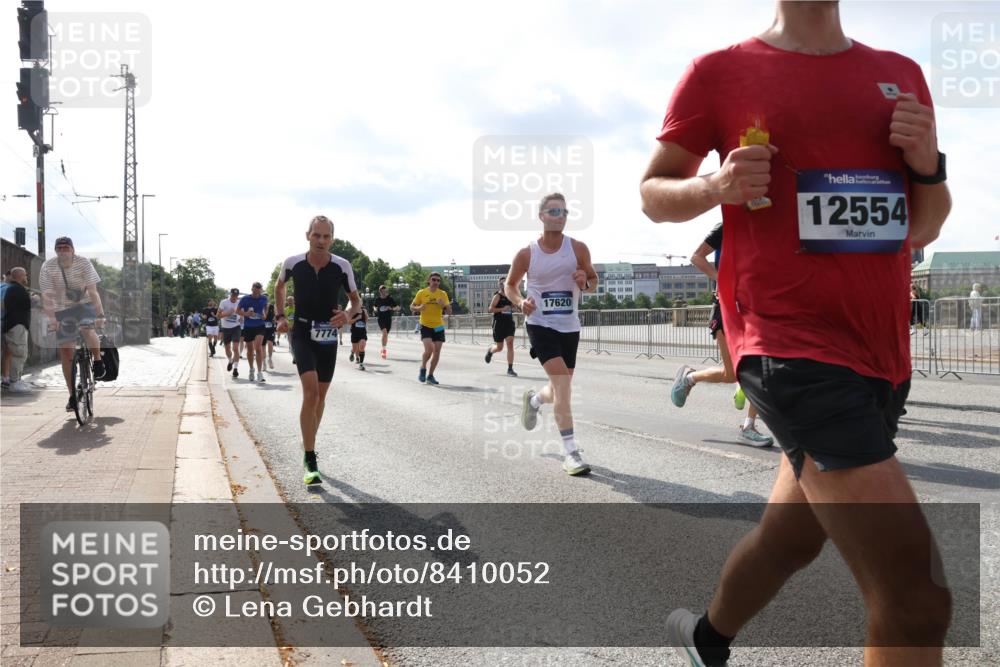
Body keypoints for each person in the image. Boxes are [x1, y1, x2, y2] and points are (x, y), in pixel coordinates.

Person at [639, 2, 952, 665]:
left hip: (880, 355)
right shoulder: (719, 72)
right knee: (917, 600)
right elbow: (652, 192)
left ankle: (705, 640)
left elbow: (923, 226)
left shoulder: (900, 74)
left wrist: (928, 164)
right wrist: (717, 184)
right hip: (788, 347)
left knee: (791, 538)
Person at [506, 193, 598, 476]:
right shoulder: (527, 253)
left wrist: (585, 282)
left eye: (564, 212)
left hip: (569, 326)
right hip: (540, 324)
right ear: (541, 216)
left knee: (559, 387)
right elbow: (510, 286)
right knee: (563, 385)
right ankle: (571, 452)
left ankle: (534, 400)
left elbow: (593, 281)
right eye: (553, 211)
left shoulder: (578, 248)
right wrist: (521, 302)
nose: (559, 215)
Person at [274, 215, 361, 485]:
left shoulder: (342, 266)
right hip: (301, 330)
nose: (321, 241)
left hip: (327, 335)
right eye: (316, 235)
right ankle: (310, 458)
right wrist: (280, 316)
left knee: (321, 397)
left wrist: (347, 315)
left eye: (326, 236)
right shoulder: (293, 263)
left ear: (332, 239)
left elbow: (355, 301)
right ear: (307, 236)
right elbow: (279, 286)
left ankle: (308, 440)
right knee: (310, 393)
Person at [671, 222, 774, 447]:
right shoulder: (727, 226)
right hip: (726, 308)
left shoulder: (764, 229)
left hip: (752, 309)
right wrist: (721, 279)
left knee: (760, 369)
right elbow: (697, 257)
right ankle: (689, 378)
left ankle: (748, 426)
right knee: (731, 374)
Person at [38, 237, 108, 412]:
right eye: (59, 248)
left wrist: (99, 314)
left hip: (84, 304)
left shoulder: (83, 262)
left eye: (66, 247)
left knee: (86, 328)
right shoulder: (48, 267)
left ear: (73, 250)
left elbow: (93, 291)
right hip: (62, 308)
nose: (63, 250)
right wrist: (53, 319)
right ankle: (72, 395)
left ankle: (98, 361)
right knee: (66, 351)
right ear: (55, 251)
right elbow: (46, 296)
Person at [411, 272, 453, 385]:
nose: (436, 282)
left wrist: (444, 305)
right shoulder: (422, 293)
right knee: (429, 349)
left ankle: (430, 375)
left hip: (438, 325)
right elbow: (412, 307)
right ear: (429, 280)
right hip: (425, 325)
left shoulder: (443, 294)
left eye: (438, 280)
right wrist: (419, 307)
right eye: (434, 279)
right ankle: (423, 367)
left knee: (437, 351)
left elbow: (450, 312)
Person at [2, 267, 32, 393]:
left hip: (16, 325)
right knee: (18, 353)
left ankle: (17, 380)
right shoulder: (16, 289)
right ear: (20, 276)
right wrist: (34, 300)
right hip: (16, 325)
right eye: (25, 275)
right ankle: (14, 382)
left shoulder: (15, 289)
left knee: (19, 352)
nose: (26, 277)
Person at [484, 276, 518, 377]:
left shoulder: (511, 295)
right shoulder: (497, 296)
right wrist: (503, 308)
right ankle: (490, 351)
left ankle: (510, 369)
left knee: (510, 344)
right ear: (499, 284)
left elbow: (515, 307)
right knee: (499, 347)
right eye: (501, 283)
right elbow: (490, 309)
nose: (503, 284)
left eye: (505, 283)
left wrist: (513, 307)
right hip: (498, 323)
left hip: (509, 323)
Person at [238, 282, 268, 382]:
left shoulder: (264, 298)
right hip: (248, 327)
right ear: (252, 289)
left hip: (260, 326)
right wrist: (245, 313)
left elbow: (265, 308)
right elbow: (237, 310)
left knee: (258, 348)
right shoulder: (245, 299)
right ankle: (251, 370)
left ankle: (260, 373)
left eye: (260, 289)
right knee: (250, 351)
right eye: (256, 289)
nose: (258, 291)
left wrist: (264, 315)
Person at [218, 288, 243, 377]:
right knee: (227, 349)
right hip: (226, 328)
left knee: (235, 348)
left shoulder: (239, 303)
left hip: (236, 327)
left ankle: (235, 369)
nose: (234, 298)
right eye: (233, 296)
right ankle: (230, 360)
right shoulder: (224, 302)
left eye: (236, 296)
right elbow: (218, 315)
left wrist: (241, 318)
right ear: (230, 294)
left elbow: (242, 314)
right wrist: (227, 313)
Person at [372, 285, 400, 359]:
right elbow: (374, 306)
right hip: (380, 319)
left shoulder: (390, 299)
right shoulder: (377, 299)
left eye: (384, 290)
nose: (383, 291)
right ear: (380, 291)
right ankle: (384, 350)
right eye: (381, 290)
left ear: (386, 291)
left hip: (388, 319)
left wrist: (391, 308)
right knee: (384, 332)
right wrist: (375, 309)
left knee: (386, 334)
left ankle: (383, 348)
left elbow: (398, 307)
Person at [263, 303, 277, 369]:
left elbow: (276, 314)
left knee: (270, 343)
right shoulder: (261, 306)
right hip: (262, 329)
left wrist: (275, 319)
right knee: (263, 346)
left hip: (271, 329)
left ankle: (270, 359)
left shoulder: (272, 306)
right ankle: (264, 362)